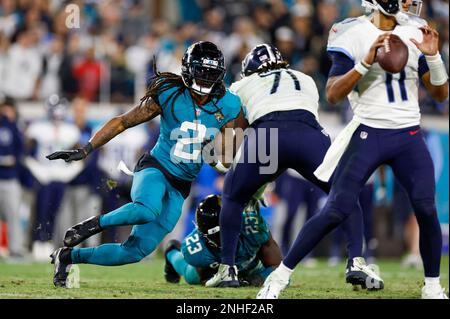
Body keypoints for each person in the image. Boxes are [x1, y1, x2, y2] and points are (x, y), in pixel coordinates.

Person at [257, 0, 448, 299]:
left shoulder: (414, 31)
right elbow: (332, 94)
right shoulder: (352, 33)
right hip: (368, 133)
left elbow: (440, 94)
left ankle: (433, 286)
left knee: (425, 207)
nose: (410, 3)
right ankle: (279, 278)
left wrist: (434, 57)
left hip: (408, 133)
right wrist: (365, 63)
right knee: (336, 209)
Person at [46, 41, 243, 288]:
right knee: (146, 209)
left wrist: (223, 157)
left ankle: (67, 256)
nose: (205, 79)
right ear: (187, 69)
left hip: (181, 184)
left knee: (135, 252)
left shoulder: (229, 104)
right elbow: (122, 122)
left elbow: (225, 153)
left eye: (211, 73)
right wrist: (86, 148)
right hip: (156, 168)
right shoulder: (169, 93)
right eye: (201, 71)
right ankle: (90, 225)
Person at [206, 44, 382, 289]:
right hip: (308, 134)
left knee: (233, 197)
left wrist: (227, 165)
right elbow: (299, 116)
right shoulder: (306, 79)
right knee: (344, 192)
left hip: (268, 135)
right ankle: (356, 260)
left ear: (251, 70)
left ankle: (227, 269)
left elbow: (238, 134)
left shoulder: (241, 85)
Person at [164, 193, 281, 286]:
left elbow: (277, 267)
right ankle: (172, 251)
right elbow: (205, 279)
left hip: (251, 266)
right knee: (190, 276)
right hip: (215, 269)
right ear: (203, 234)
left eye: (226, 231)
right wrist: (217, 280)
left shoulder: (253, 227)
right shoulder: (198, 248)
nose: (224, 238)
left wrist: (255, 279)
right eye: (217, 235)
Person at [0, 96, 25, 259]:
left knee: (14, 216)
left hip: (10, 178)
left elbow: (20, 151)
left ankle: (15, 248)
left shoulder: (14, 126)